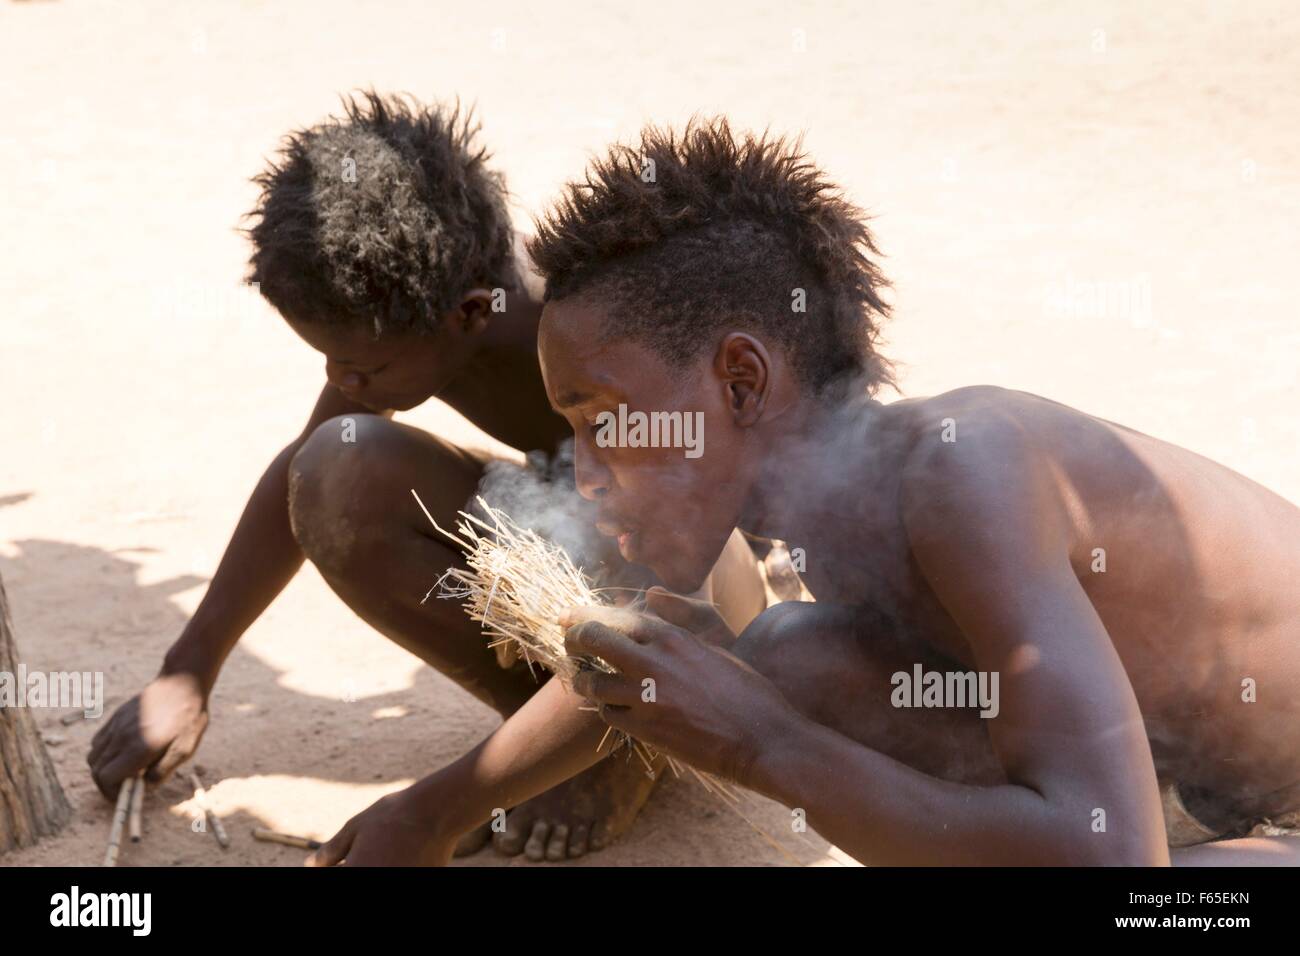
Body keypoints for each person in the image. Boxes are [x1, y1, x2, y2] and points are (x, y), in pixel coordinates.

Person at [312, 117, 1299, 865]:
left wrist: (757, 742)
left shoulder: (962, 472)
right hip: (1182, 788)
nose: (588, 468)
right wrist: (430, 813)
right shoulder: (817, 504)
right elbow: (645, 660)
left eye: (603, 417)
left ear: (741, 380)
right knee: (791, 655)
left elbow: (1116, 864)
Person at [87, 96, 767, 863]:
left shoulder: (591, 336)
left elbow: (684, 590)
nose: (343, 380)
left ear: (470, 314)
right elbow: (302, 473)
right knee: (337, 469)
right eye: (328, 361)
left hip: (714, 601)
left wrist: (434, 811)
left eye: (363, 366)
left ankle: (618, 746)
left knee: (636, 536)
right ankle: (542, 740)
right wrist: (189, 668)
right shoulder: (422, 306)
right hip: (606, 556)